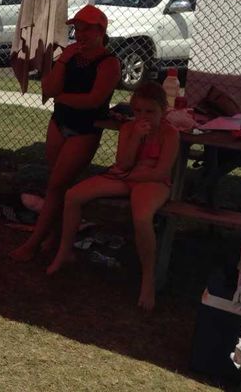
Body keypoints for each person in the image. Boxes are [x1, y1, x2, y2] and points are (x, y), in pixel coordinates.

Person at [47, 81, 179, 310]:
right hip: (127, 175)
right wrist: (136, 138)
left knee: (141, 216)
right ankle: (64, 252)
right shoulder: (129, 129)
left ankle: (148, 279)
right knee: (73, 195)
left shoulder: (170, 133)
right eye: (137, 111)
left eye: (150, 111)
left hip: (153, 181)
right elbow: (124, 163)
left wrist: (137, 173)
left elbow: (162, 171)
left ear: (163, 111)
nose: (143, 116)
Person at [10, 4, 121, 262]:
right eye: (77, 29)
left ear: (100, 31)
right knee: (58, 186)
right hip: (59, 122)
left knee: (57, 185)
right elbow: (48, 88)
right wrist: (63, 61)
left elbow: (94, 101)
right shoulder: (70, 55)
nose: (79, 34)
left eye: (85, 29)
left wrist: (61, 97)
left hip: (85, 129)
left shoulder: (109, 63)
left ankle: (34, 243)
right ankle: (55, 238)